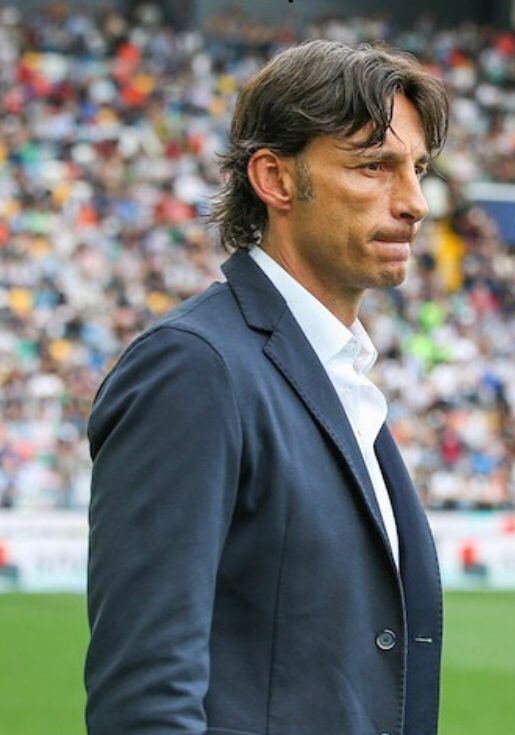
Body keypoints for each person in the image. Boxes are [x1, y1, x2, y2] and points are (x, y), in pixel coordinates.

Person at [85, 40, 450, 735]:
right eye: (374, 167)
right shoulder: (195, 367)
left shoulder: (340, 373)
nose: (415, 203)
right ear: (276, 180)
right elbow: (146, 696)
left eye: (419, 169)